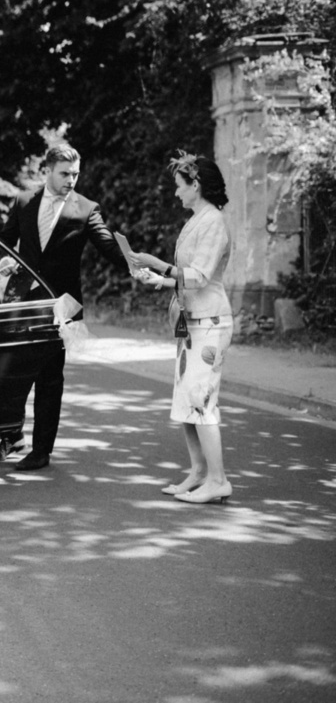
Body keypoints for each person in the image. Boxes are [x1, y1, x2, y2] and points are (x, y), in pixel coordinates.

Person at [0, 143, 129, 470]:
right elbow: (4, 241)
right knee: (10, 370)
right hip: (20, 301)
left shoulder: (86, 208)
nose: (71, 180)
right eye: (64, 174)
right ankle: (11, 437)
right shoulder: (23, 201)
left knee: (49, 377)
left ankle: (41, 451)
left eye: (75, 174)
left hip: (61, 306)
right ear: (46, 171)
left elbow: (107, 245)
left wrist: (137, 267)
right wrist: (5, 257)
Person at [127, 154, 234, 504]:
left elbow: (200, 276)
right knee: (187, 402)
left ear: (196, 185)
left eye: (179, 185)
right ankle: (200, 472)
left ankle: (218, 479)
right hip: (192, 324)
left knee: (202, 402)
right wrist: (157, 279)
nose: (176, 193)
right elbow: (184, 277)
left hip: (210, 324)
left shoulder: (213, 222)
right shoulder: (197, 220)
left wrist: (161, 264)